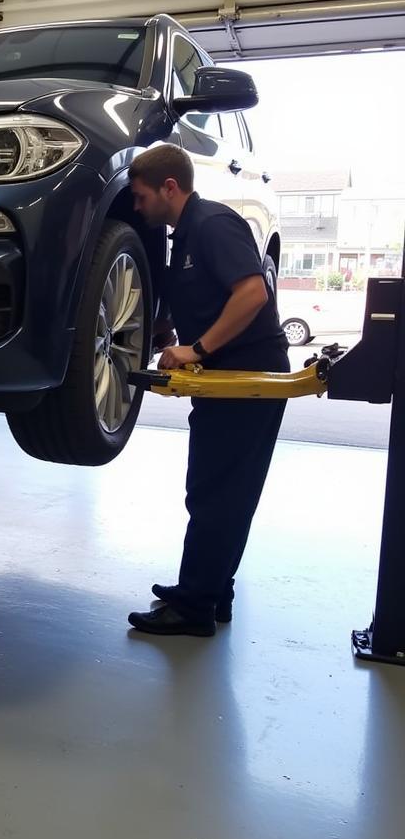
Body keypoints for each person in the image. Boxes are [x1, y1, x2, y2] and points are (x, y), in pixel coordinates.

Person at [126, 144, 290, 637]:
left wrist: (197, 348)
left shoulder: (214, 224)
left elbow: (253, 291)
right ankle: (214, 592)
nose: (136, 207)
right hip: (228, 382)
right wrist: (168, 330)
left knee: (217, 493)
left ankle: (195, 605)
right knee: (219, 492)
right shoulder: (186, 236)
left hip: (248, 379)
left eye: (139, 197)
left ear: (169, 188)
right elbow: (210, 295)